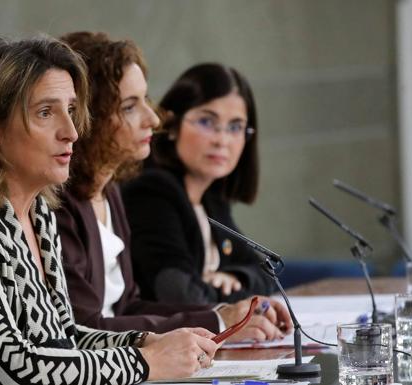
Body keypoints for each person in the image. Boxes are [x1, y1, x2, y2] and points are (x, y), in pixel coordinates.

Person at [0, 36, 222, 385]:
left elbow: (62, 337)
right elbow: (11, 369)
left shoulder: (37, 214)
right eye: (45, 112)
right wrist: (143, 362)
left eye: (70, 110)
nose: (71, 132)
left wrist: (145, 341)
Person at [56, 31, 290, 342]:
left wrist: (223, 310)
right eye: (129, 106)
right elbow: (85, 327)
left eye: (235, 127)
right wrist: (220, 320)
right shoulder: (65, 203)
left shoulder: (110, 192)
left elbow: (127, 305)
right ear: (88, 116)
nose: (153, 119)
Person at [123, 63, 272, 306]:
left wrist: (235, 277)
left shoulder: (211, 197)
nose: (222, 140)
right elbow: (180, 295)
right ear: (171, 126)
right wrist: (236, 302)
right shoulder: (151, 191)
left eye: (235, 127)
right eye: (206, 121)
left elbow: (267, 273)